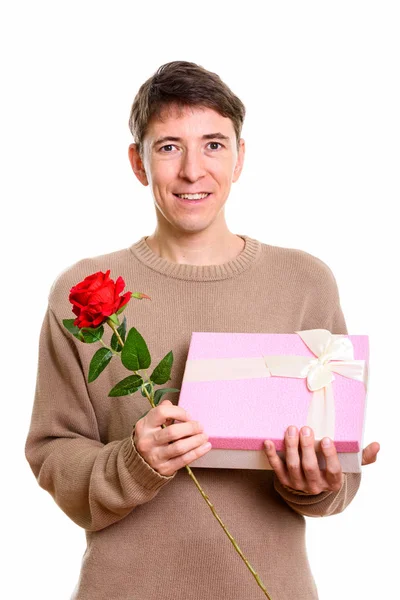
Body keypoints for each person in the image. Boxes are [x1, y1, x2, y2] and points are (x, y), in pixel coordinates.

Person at [25, 60, 379, 600]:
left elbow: (337, 475)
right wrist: (133, 462)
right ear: (137, 163)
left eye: (214, 144)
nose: (193, 170)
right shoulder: (81, 291)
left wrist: (322, 482)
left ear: (240, 159)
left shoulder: (306, 282)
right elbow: (52, 452)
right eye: (169, 146)